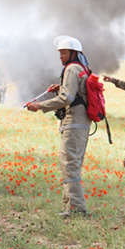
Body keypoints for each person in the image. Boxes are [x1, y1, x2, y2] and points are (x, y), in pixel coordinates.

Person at [26, 36, 91, 217]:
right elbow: (75, 92)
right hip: (81, 123)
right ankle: (70, 206)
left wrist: (40, 105)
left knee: (69, 165)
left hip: (74, 123)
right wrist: (61, 87)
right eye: (60, 53)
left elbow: (67, 99)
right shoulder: (80, 68)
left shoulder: (71, 69)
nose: (60, 56)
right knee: (72, 164)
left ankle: (77, 209)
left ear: (73, 53)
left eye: (63, 52)